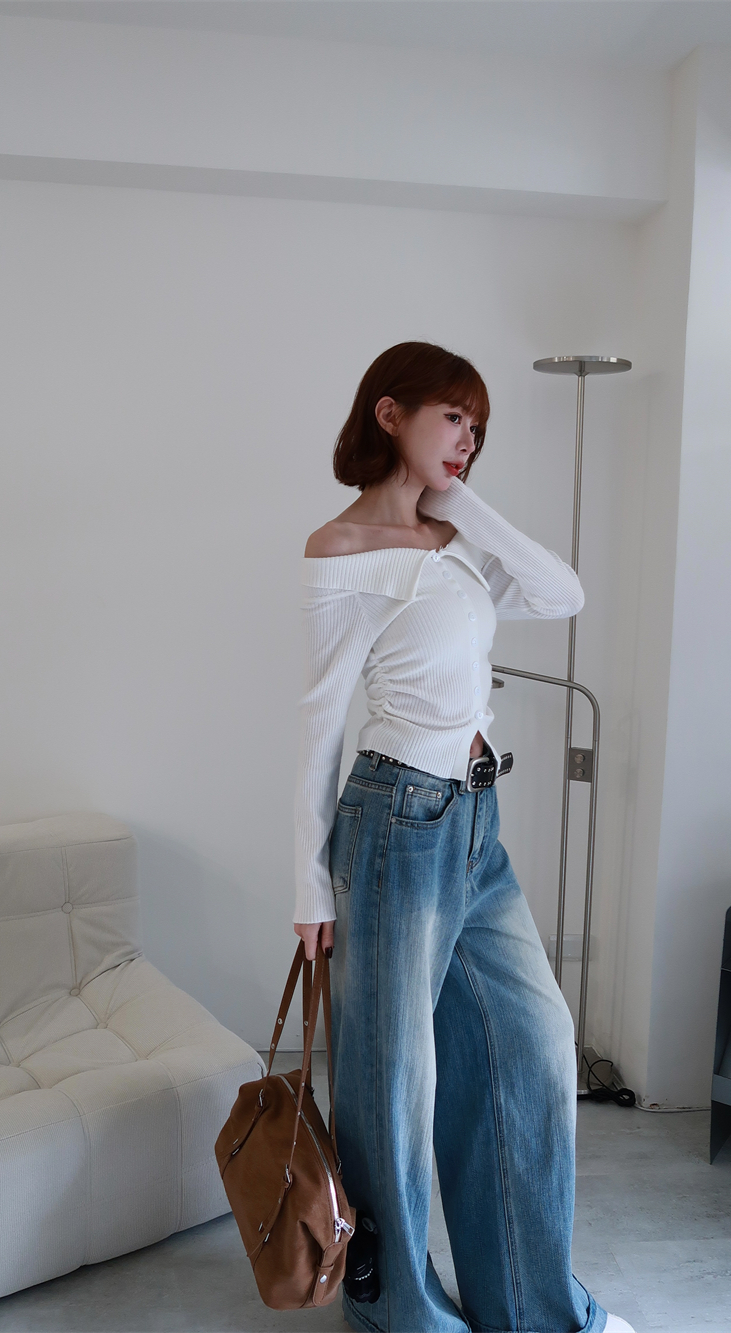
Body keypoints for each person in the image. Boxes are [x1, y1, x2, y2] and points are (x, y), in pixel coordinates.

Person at [292, 341, 634, 1333]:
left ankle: (533, 1310)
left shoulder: (456, 544)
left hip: (476, 824)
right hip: (394, 825)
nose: (468, 438)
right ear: (390, 411)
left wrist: (460, 501)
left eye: (478, 427)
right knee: (390, 1085)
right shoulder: (341, 549)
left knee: (533, 1043)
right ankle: (398, 1312)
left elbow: (562, 592)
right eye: (453, 417)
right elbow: (317, 724)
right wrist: (306, 884)